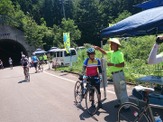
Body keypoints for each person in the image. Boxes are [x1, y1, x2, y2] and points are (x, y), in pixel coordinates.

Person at [94, 38, 129, 109]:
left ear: (117, 45)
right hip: (115, 74)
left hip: (119, 74)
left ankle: (126, 106)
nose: (111, 45)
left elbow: (122, 64)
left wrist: (113, 64)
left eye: (113, 44)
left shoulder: (119, 53)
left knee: (122, 90)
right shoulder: (112, 52)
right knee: (117, 90)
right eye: (111, 44)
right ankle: (121, 103)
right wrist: (99, 48)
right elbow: (105, 52)